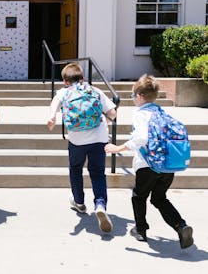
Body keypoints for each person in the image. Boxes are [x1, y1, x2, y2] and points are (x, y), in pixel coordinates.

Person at [105, 74, 194, 248]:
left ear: (139, 96)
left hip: (147, 165)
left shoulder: (141, 114)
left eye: (132, 96)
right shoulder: (160, 112)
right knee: (159, 198)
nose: (132, 100)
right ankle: (181, 226)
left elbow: (141, 139)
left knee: (139, 197)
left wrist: (118, 148)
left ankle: (140, 230)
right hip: (167, 166)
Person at [47, 62, 116, 233]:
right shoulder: (95, 90)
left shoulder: (64, 92)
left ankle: (79, 202)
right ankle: (100, 204)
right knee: (98, 173)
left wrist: (52, 118)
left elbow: (55, 103)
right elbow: (113, 113)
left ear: (65, 81)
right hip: (99, 138)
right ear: (83, 77)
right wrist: (104, 123)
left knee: (76, 169)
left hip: (77, 140)